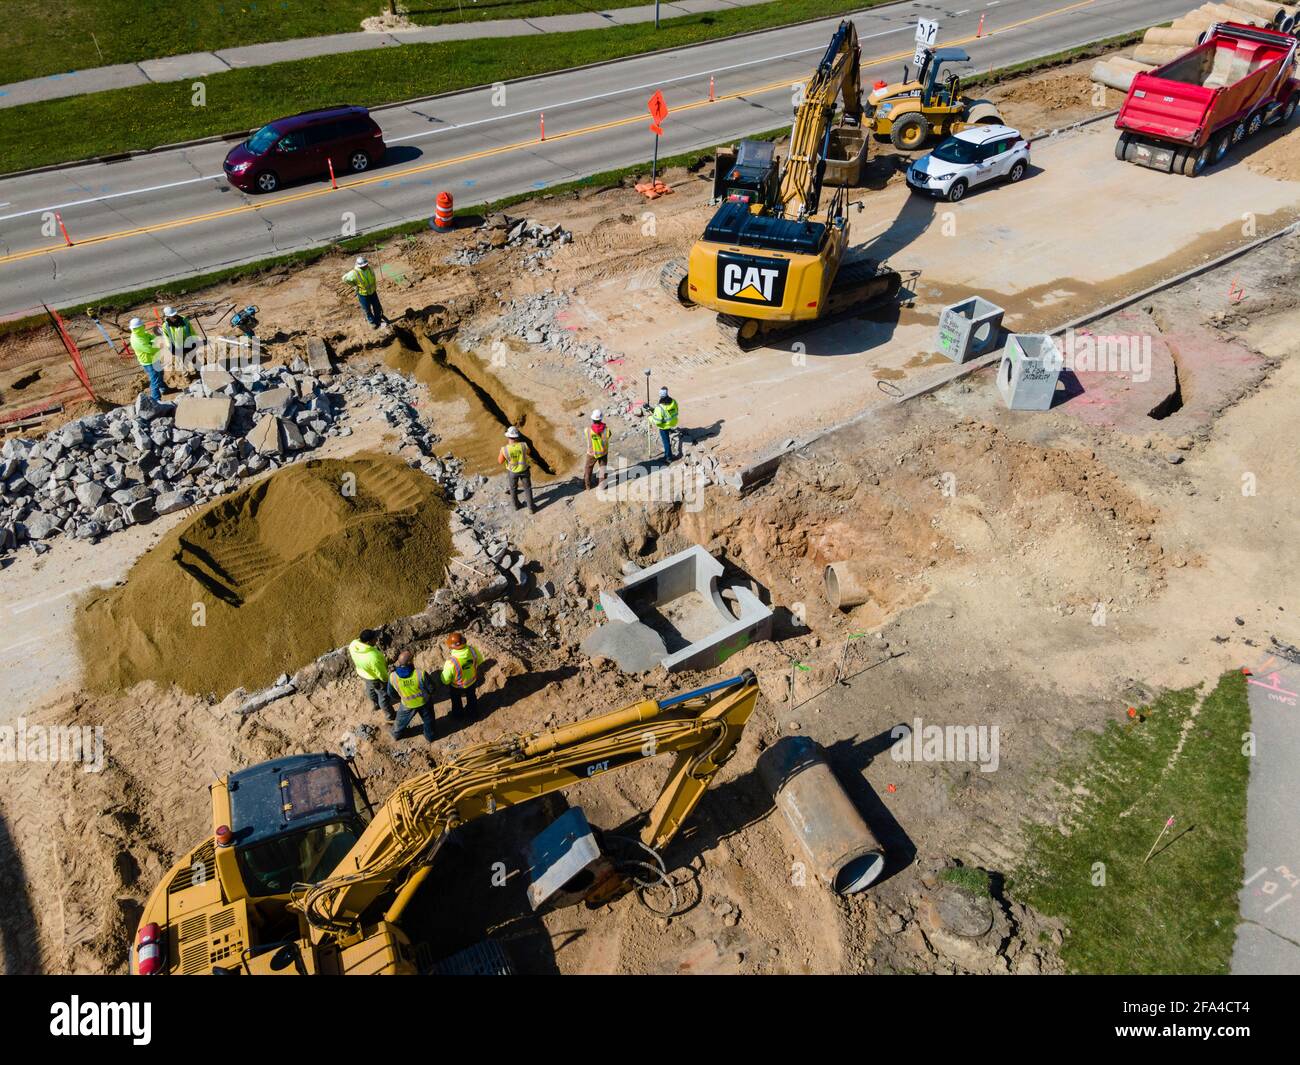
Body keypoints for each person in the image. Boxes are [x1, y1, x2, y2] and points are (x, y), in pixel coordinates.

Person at [387, 650, 435, 743]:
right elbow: (431, 688)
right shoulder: (420, 673)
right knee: (429, 720)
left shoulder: (393, 677)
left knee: (400, 722)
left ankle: (396, 735)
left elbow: (391, 693)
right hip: (424, 702)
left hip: (406, 704)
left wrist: (401, 698)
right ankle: (430, 737)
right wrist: (430, 694)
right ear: (409, 662)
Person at [349, 628, 392, 720]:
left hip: (362, 673)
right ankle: (389, 715)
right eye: (375, 638)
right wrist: (386, 680)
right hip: (374, 678)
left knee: (370, 689)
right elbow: (382, 674)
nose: (377, 640)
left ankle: (375, 705)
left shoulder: (353, 644)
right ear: (368, 642)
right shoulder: (373, 656)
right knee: (383, 695)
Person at [440, 632, 483, 719]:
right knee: (472, 698)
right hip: (472, 682)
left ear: (451, 646)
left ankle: (458, 716)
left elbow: (445, 680)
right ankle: (473, 714)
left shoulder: (451, 662)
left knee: (456, 702)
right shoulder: (472, 650)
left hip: (457, 686)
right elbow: (480, 660)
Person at [498, 426, 537, 513]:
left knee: (513, 489)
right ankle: (531, 508)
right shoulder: (524, 445)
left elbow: (500, 461)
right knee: (527, 488)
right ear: (517, 436)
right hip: (524, 470)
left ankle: (516, 506)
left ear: (508, 436)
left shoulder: (504, 449)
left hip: (512, 472)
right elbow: (529, 452)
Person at [128, 317, 165, 402]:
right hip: (148, 362)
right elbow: (149, 349)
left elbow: (150, 337)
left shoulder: (141, 333)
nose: (144, 326)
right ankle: (156, 399)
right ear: (137, 328)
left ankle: (163, 388)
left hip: (154, 358)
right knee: (154, 379)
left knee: (160, 373)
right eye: (142, 325)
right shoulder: (136, 340)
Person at [342, 255, 384, 329]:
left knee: (377, 307)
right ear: (359, 266)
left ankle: (378, 320)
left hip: (373, 292)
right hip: (363, 294)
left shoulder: (370, 268)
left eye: (366, 264)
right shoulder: (354, 273)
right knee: (367, 309)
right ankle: (372, 322)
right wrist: (354, 285)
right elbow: (344, 279)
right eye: (364, 265)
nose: (366, 266)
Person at [649, 386, 679, 464]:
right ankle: (670, 430)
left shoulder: (660, 407)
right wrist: (653, 410)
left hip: (664, 426)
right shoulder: (673, 402)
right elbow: (668, 412)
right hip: (673, 422)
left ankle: (668, 457)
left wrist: (650, 418)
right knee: (667, 428)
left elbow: (657, 422)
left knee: (666, 442)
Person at [584, 408, 610, 490]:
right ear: (601, 418)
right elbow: (609, 435)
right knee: (603, 469)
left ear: (592, 419)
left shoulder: (587, 430)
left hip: (591, 453)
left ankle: (587, 486)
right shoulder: (606, 429)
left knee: (588, 468)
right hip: (603, 453)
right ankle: (602, 486)